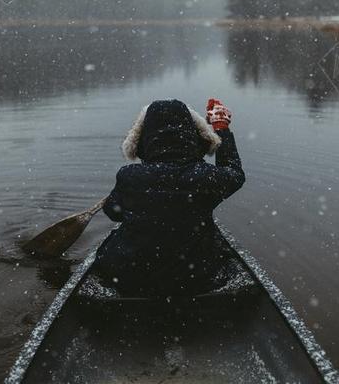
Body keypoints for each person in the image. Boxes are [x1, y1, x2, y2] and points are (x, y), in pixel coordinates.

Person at [92, 98, 245, 296]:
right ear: (193, 135)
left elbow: (114, 213)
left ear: (144, 137)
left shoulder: (129, 176)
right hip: (197, 278)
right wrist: (221, 128)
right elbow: (234, 172)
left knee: (113, 243)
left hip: (132, 277)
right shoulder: (207, 177)